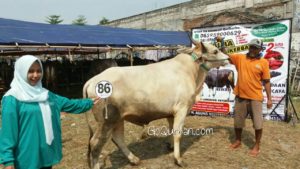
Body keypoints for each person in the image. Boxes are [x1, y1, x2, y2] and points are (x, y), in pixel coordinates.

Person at [0, 55, 99, 169]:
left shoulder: (46, 95)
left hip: (46, 155)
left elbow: (70, 104)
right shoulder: (12, 99)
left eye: (39, 71)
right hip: (25, 159)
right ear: (21, 72)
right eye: (30, 71)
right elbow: (8, 132)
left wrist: (89, 102)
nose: (36, 75)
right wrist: (8, 160)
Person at [218, 37, 272, 157]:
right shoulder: (240, 58)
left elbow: (267, 82)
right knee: (238, 122)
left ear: (260, 50)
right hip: (240, 96)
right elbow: (225, 54)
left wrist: (269, 98)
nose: (253, 49)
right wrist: (221, 42)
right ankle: (238, 141)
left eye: (256, 48)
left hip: (255, 98)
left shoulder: (264, 63)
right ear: (249, 47)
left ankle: (257, 145)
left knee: (258, 124)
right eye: (251, 46)